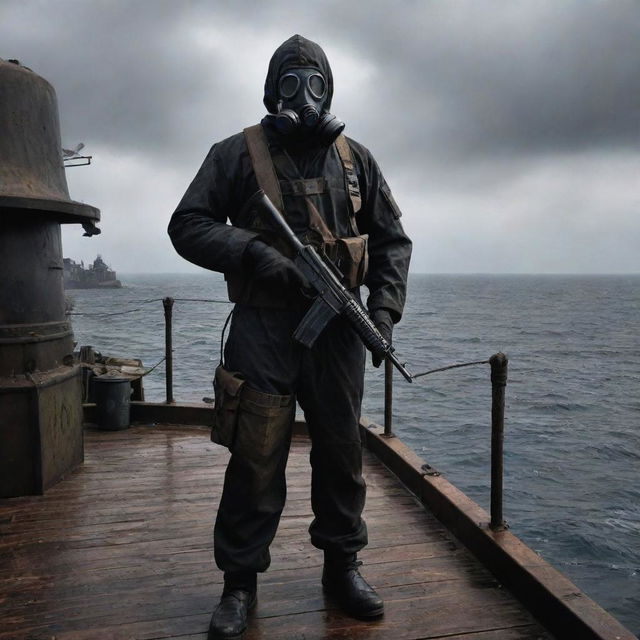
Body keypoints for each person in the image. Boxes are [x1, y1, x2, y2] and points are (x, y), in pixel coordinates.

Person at [168, 34, 411, 640]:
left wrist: (382, 313)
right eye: (290, 83)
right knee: (255, 455)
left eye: (315, 83)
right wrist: (254, 254)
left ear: (330, 89)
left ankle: (342, 566)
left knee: (342, 451)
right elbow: (188, 224)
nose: (303, 96)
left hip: (338, 330)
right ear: (271, 88)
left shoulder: (357, 161)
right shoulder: (235, 155)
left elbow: (391, 243)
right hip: (262, 327)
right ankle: (239, 583)